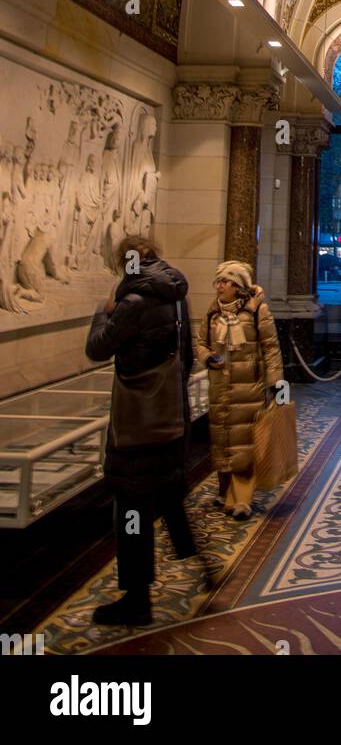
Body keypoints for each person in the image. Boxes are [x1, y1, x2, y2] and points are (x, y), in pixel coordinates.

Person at [85, 234, 209, 625]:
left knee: (132, 510)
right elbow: (186, 357)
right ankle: (200, 562)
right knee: (170, 494)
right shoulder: (177, 296)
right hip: (171, 416)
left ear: (127, 263)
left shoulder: (132, 303)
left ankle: (137, 599)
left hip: (137, 425)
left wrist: (104, 312)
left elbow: (97, 348)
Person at [196, 260, 284, 519]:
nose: (220, 286)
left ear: (238, 285)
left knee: (244, 443)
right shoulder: (214, 312)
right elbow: (201, 342)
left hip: (249, 388)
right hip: (220, 387)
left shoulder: (257, 310)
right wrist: (208, 358)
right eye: (219, 282)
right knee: (223, 441)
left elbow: (271, 347)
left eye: (225, 282)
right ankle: (225, 492)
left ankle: (242, 499)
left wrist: (276, 383)